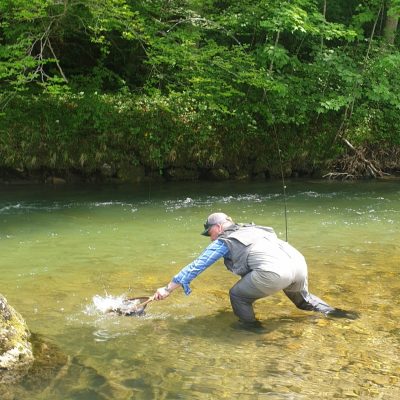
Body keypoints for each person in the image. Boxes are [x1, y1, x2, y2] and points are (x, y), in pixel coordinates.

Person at [154, 212, 356, 326]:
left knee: (237, 295)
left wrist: (168, 288)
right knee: (304, 301)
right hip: (298, 263)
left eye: (210, 233)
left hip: (275, 271)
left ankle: (252, 330)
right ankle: (341, 315)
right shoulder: (254, 228)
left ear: (218, 228)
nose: (210, 238)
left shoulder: (224, 240)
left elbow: (197, 266)